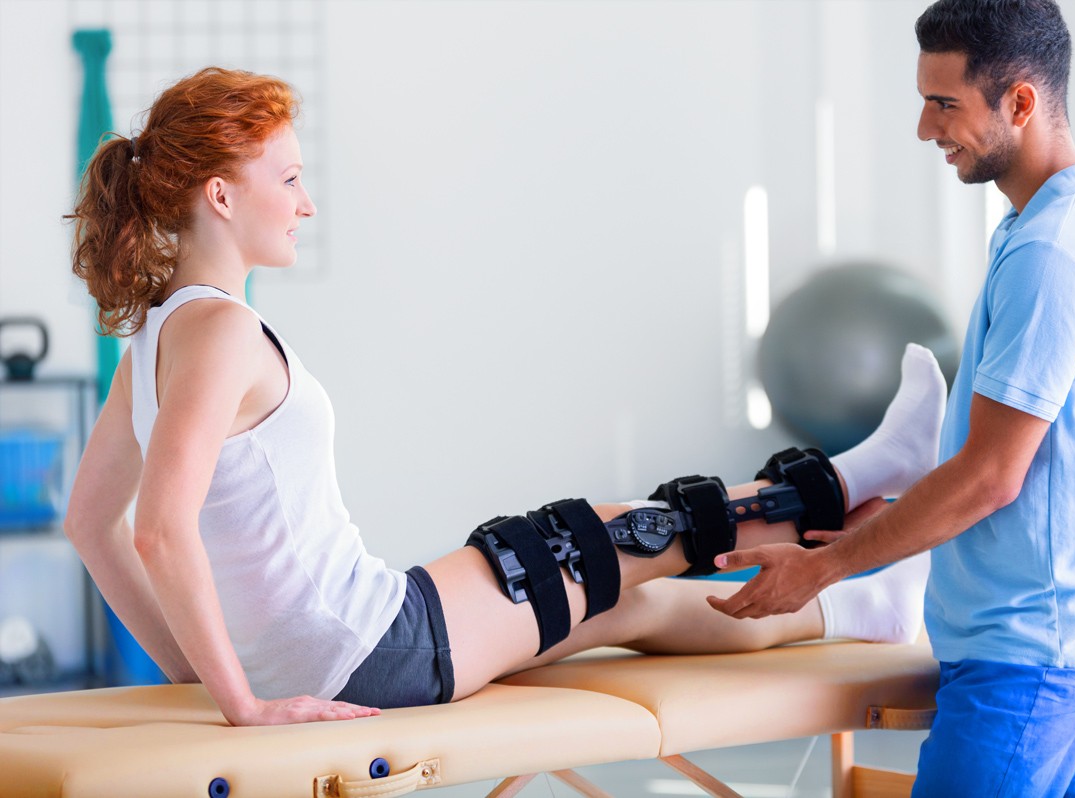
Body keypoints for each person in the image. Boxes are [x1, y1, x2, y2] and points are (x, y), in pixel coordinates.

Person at [64, 66, 945, 729]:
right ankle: (857, 477)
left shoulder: (150, 340)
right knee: (602, 539)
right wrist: (240, 703)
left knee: (629, 601)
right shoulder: (217, 332)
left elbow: (88, 522)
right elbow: (157, 527)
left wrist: (193, 667)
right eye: (288, 180)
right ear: (220, 195)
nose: (307, 203)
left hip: (358, 638)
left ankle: (864, 607)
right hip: (377, 648)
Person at [709, 1, 1075, 795]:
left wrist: (824, 569)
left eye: (944, 103)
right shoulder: (1047, 220)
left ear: (1020, 102)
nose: (924, 128)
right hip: (1048, 636)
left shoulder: (1053, 256)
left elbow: (992, 476)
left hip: (1026, 660)